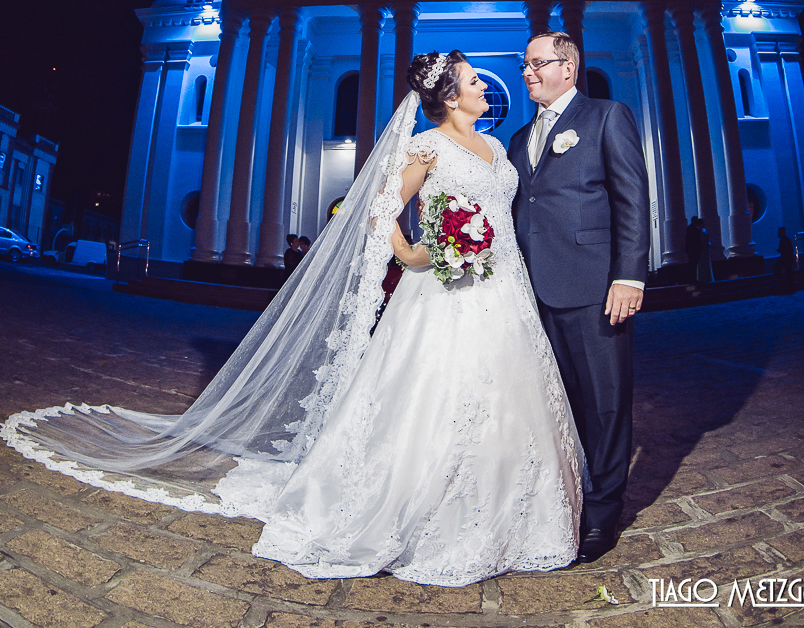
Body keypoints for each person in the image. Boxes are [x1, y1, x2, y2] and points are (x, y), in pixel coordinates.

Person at [3, 50, 582, 587]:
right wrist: (410, 253)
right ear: (451, 98)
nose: (486, 86)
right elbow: (381, 205)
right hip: (444, 292)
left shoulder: (498, 149)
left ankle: (512, 506)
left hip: (505, 289)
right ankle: (425, 504)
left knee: (511, 393)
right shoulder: (427, 147)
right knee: (440, 392)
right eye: (475, 81)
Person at [508, 32, 649, 564]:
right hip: (535, 292)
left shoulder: (607, 116)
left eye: (536, 64)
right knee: (560, 403)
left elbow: (632, 197)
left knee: (605, 401)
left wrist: (628, 276)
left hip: (595, 287)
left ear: (567, 68)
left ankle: (605, 509)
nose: (527, 73)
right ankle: (566, 497)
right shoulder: (520, 136)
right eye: (524, 65)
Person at [773, 226, 795, 293]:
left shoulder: (784, 240)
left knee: (779, 269)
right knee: (788, 273)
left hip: (785, 258)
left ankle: (782, 284)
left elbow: (783, 250)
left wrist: (779, 250)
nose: (778, 234)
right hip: (788, 258)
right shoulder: (787, 239)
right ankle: (789, 288)